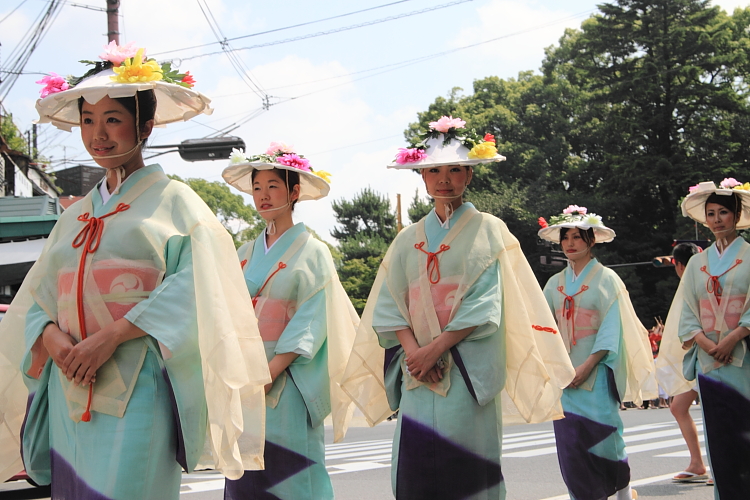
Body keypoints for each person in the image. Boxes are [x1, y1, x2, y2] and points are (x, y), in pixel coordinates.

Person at [0, 43, 270, 499]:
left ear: (144, 126)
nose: (98, 135)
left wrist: (113, 336)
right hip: (71, 387)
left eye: (112, 120)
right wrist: (53, 340)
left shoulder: (178, 203)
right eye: (88, 121)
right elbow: (39, 295)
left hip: (138, 386)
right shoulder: (74, 215)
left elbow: (199, 289)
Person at [341, 116, 575, 500]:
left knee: (467, 471)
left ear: (470, 174)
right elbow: (389, 303)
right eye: (433, 170)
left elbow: (486, 302)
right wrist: (414, 353)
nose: (443, 178)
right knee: (414, 469)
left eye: (454, 169)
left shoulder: (489, 229)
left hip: (466, 368)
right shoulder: (405, 240)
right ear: (422, 177)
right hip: (416, 368)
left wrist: (434, 349)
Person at [221, 144, 358, 499]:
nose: (263, 196)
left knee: (291, 479)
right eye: (256, 188)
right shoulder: (243, 254)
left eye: (272, 186)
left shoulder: (314, 252)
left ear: (294, 192)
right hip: (244, 379)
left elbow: (310, 319)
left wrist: (268, 373)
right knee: (245, 478)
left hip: (286, 379)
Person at [538, 205, 656, 500]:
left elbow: (610, 330)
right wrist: (559, 367)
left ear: (591, 240)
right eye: (565, 237)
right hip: (564, 377)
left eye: (577, 237)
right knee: (570, 444)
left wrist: (587, 366)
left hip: (597, 373)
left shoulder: (607, 280)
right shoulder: (553, 284)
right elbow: (543, 328)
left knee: (606, 437)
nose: (570, 243)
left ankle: (624, 491)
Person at [671, 180, 750, 498]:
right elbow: (687, 310)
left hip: (743, 357)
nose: (717, 220)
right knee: (718, 434)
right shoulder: (696, 263)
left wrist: (732, 339)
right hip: (709, 361)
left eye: (723, 213)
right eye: (711, 214)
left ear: (736, 215)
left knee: (745, 432)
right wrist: (707, 344)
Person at [655, 242, 708, 483]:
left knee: (715, 411)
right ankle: (698, 462)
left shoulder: (695, 281)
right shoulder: (703, 277)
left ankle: (717, 465)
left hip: (708, 354)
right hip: (703, 354)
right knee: (679, 407)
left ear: (677, 264)